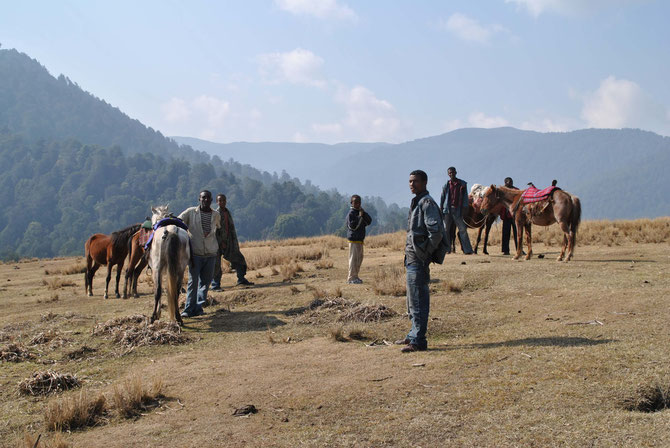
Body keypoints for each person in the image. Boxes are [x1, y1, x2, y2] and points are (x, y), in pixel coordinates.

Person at [396, 170, 446, 353]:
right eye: (409, 181)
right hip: (411, 258)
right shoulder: (416, 201)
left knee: (418, 300)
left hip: (418, 259)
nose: (411, 184)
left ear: (425, 182)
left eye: (415, 181)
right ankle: (412, 334)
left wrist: (425, 252)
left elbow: (436, 232)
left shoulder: (427, 203)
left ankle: (418, 341)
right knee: (411, 300)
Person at [178, 190, 221, 318]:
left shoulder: (216, 215)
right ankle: (188, 309)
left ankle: (198, 306)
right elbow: (178, 221)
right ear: (199, 199)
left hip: (211, 253)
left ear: (211, 200)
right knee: (193, 282)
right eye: (203, 198)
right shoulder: (191, 212)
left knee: (205, 283)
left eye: (208, 198)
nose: (205, 200)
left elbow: (218, 229)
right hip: (195, 254)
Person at [211, 194, 254, 290]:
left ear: (226, 201)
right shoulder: (216, 214)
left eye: (223, 200)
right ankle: (215, 285)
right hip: (218, 243)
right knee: (216, 265)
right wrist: (221, 242)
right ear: (217, 202)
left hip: (230, 242)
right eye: (220, 200)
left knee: (239, 259)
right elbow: (215, 230)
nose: (222, 202)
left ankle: (241, 279)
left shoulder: (227, 212)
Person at [439, 166, 473, 254]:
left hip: (458, 209)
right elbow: (442, 198)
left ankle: (467, 250)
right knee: (446, 229)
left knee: (462, 229)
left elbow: (465, 197)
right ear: (448, 174)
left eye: (453, 172)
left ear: (456, 172)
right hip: (447, 210)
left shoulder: (462, 184)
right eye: (450, 173)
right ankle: (447, 249)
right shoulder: (446, 185)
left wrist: (465, 208)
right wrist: (441, 208)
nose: (451, 174)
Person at [346, 194, 372, 284]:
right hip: (353, 240)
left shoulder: (360, 212)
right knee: (353, 260)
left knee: (359, 259)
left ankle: (356, 276)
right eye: (355, 202)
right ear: (351, 203)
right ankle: (351, 278)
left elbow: (369, 221)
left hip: (360, 240)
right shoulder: (351, 214)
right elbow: (353, 226)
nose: (357, 204)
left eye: (359, 202)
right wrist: (360, 217)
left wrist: (363, 213)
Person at [501, 177, 519, 255]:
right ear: (505, 183)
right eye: (507, 182)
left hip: (515, 215)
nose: (509, 183)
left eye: (510, 181)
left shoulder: (516, 190)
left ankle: (519, 249)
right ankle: (505, 250)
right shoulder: (502, 191)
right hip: (506, 215)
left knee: (517, 233)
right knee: (505, 233)